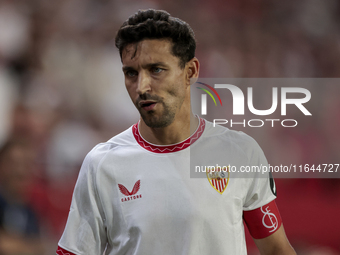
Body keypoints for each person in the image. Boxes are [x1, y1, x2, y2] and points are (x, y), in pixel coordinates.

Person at [56, 9, 296, 255]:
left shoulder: (240, 153)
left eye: (156, 70)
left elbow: (277, 250)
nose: (142, 87)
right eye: (131, 73)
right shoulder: (102, 164)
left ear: (190, 72)